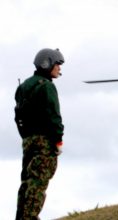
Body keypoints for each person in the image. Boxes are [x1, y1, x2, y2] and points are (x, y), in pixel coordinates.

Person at [14, 48, 65, 219]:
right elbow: (54, 116)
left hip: (28, 140)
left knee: (27, 182)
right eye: (57, 64)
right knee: (38, 182)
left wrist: (26, 137)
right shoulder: (47, 87)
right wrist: (58, 141)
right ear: (47, 63)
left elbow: (18, 117)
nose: (59, 68)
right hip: (45, 141)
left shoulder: (23, 86)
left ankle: (21, 216)